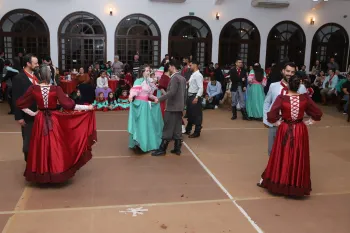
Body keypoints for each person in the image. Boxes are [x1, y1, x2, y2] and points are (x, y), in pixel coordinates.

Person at [15, 64, 96, 183]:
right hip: (54, 119)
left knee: (40, 146)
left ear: (39, 75)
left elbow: (20, 103)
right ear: (50, 75)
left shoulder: (33, 89)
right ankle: (56, 170)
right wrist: (87, 107)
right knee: (56, 145)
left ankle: (41, 173)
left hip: (40, 120)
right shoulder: (55, 89)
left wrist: (33, 114)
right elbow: (69, 105)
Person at [257, 75, 322, 197]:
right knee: (298, 155)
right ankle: (296, 185)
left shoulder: (282, 98)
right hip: (299, 129)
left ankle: (279, 182)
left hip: (285, 128)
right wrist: (309, 122)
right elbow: (317, 113)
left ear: (287, 85)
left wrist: (277, 122)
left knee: (282, 154)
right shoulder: (305, 98)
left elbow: (271, 114)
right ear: (299, 86)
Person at [264, 62, 307, 156]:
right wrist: (266, 120)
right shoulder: (273, 86)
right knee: (272, 150)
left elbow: (306, 105)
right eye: (287, 71)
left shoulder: (302, 88)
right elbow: (267, 102)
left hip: (292, 126)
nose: (289, 74)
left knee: (290, 152)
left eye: (292, 72)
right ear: (283, 71)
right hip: (275, 123)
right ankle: (274, 170)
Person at [152, 60, 187, 156]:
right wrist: (183, 106)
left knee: (167, 127)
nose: (168, 68)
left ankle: (162, 149)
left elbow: (171, 92)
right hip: (179, 107)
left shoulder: (174, 78)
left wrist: (159, 99)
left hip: (172, 107)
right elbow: (184, 94)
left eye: (169, 66)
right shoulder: (182, 78)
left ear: (172, 67)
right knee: (177, 128)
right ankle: (177, 148)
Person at [128, 65, 163, 152]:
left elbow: (149, 94)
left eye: (149, 70)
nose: (148, 72)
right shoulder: (138, 81)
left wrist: (155, 98)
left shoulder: (148, 82)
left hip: (146, 105)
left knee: (145, 125)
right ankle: (139, 144)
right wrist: (131, 96)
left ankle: (145, 143)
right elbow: (134, 91)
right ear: (142, 71)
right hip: (139, 105)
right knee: (140, 125)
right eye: (147, 70)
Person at [12, 54, 40, 162]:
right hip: (26, 114)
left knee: (38, 141)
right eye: (35, 63)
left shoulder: (36, 76)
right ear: (28, 64)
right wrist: (19, 117)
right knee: (28, 143)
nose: (37, 65)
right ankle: (29, 164)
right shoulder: (19, 78)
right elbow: (16, 98)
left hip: (38, 113)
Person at [185, 60, 203, 138]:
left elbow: (201, 88)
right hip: (190, 95)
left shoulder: (198, 75)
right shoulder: (193, 74)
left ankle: (197, 131)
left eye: (191, 65)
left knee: (197, 114)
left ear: (195, 65)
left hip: (194, 96)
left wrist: (197, 97)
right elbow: (189, 83)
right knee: (190, 113)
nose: (190, 66)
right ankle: (188, 129)